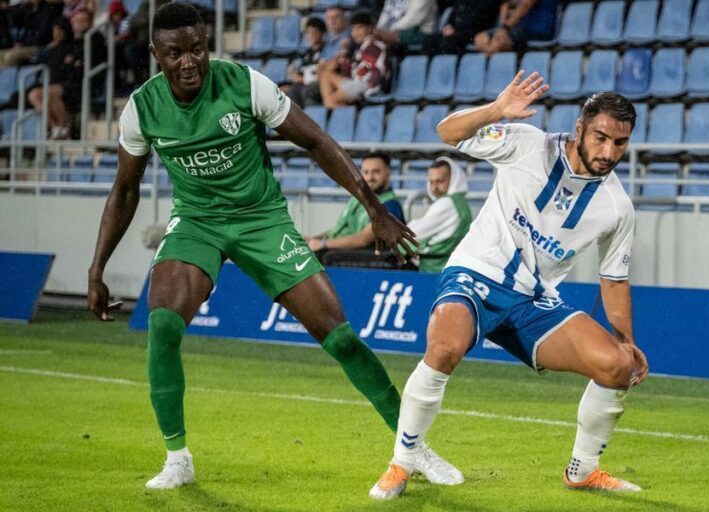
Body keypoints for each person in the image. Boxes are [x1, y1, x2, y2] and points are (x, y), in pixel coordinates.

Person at [86, 2, 457, 491]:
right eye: (175, 53)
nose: (189, 62)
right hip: (197, 222)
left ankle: (413, 448)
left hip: (263, 220)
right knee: (162, 323)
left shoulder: (245, 84)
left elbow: (317, 141)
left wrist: (373, 207)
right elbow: (125, 189)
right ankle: (178, 457)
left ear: (207, 45)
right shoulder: (142, 108)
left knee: (340, 337)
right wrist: (97, 269)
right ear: (157, 53)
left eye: (197, 49)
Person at [369, 73, 649, 499]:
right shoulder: (527, 144)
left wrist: (626, 340)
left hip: (534, 301)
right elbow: (448, 132)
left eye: (620, 143)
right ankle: (402, 463)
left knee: (616, 367)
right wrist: (497, 110)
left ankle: (583, 470)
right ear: (580, 128)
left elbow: (613, 278)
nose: (609, 152)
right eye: (601, 137)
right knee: (443, 349)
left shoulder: (616, 207)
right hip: (477, 272)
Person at [305, 152, 405, 254]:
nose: (370, 177)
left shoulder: (390, 205)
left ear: (388, 173)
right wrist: (313, 239)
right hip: (339, 250)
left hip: (362, 256)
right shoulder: (357, 199)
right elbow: (339, 229)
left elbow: (363, 240)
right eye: (366, 172)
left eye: (376, 172)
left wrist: (323, 244)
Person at [406, 157, 472, 273]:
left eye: (440, 181)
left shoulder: (447, 203)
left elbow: (414, 233)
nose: (434, 188)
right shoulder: (460, 202)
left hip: (434, 270)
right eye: (431, 182)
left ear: (453, 179)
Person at [318, 10, 388, 108]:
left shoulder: (374, 46)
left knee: (331, 100)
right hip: (356, 82)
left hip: (367, 85)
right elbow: (355, 69)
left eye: (360, 28)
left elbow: (372, 73)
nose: (355, 32)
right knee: (325, 75)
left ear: (371, 28)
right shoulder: (361, 48)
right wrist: (343, 61)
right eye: (353, 29)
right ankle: (345, 110)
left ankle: (352, 114)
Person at [473, 0, 558, 56]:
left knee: (498, 43)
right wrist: (501, 28)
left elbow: (526, 5)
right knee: (479, 38)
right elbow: (506, 4)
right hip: (516, 29)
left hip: (538, 28)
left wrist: (505, 28)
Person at [423, 0, 501, 55]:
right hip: (458, 30)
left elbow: (479, 17)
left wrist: (456, 29)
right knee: (429, 40)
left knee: (450, 41)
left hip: (477, 30)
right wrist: (448, 25)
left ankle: (456, 68)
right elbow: (454, 12)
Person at [286, 16, 326, 109]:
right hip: (303, 83)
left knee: (302, 90)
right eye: (309, 32)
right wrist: (294, 74)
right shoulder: (307, 53)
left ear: (322, 33)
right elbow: (299, 72)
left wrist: (301, 79)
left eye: (314, 32)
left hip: (317, 84)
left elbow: (319, 73)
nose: (311, 35)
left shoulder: (326, 51)